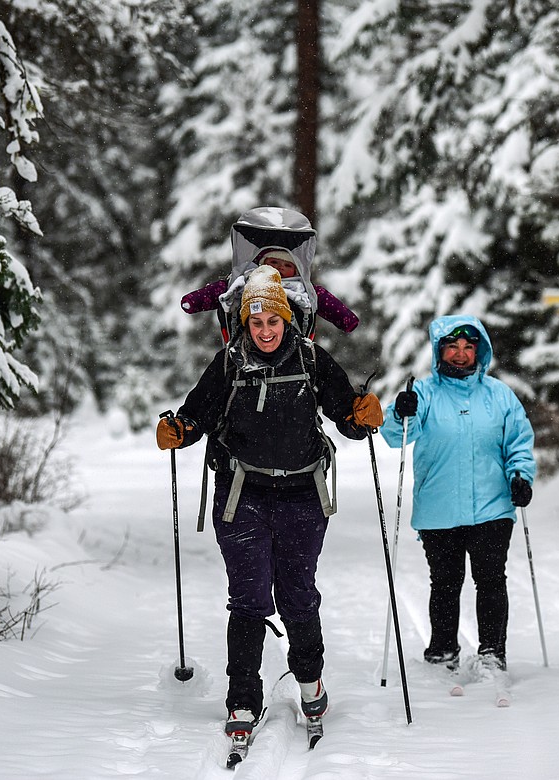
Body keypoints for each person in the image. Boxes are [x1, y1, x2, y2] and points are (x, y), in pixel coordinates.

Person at [156, 263, 383, 736]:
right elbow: (196, 416)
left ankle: (310, 681)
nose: (264, 331)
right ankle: (242, 699)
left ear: (287, 320)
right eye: (255, 322)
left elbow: (345, 416)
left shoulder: (312, 360)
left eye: (272, 321)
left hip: (303, 495)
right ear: (245, 322)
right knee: (249, 599)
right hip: (243, 495)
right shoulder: (228, 364)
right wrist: (179, 431)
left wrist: (362, 418)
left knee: (297, 594)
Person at [380, 315, 536, 672]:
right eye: (453, 346)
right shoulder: (423, 392)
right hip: (439, 508)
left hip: (493, 506)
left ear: (480, 350)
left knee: (491, 580)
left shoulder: (499, 395)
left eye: (469, 347)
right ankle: (442, 650)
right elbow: (394, 436)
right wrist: (399, 413)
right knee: (446, 582)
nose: (461, 354)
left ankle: (493, 652)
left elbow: (519, 442)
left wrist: (520, 475)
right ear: (439, 351)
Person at [179, 207, 359, 341]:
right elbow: (220, 290)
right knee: (217, 374)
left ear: (296, 270)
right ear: (262, 264)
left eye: (286, 265)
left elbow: (327, 302)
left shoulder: (302, 289)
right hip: (246, 340)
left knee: (325, 369)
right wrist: (194, 301)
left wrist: (346, 320)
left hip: (295, 343)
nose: (280, 268)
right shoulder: (247, 280)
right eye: (274, 263)